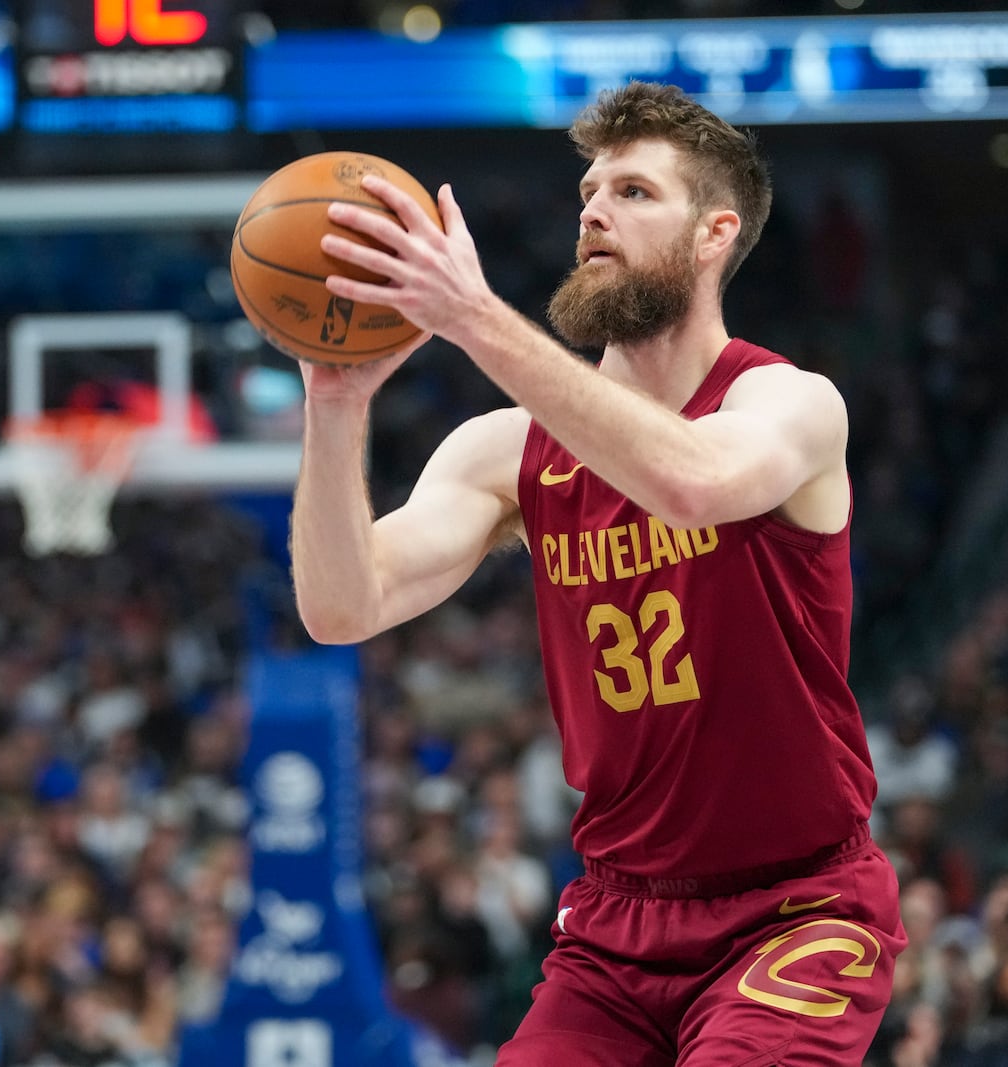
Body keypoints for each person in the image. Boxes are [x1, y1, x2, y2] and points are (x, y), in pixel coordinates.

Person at [290, 80, 907, 1065]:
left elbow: (693, 482)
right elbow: (340, 604)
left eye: (632, 191)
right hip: (616, 926)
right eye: (588, 190)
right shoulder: (506, 450)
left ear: (714, 234)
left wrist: (471, 316)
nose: (592, 210)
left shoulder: (787, 404)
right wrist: (334, 406)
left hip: (795, 909)